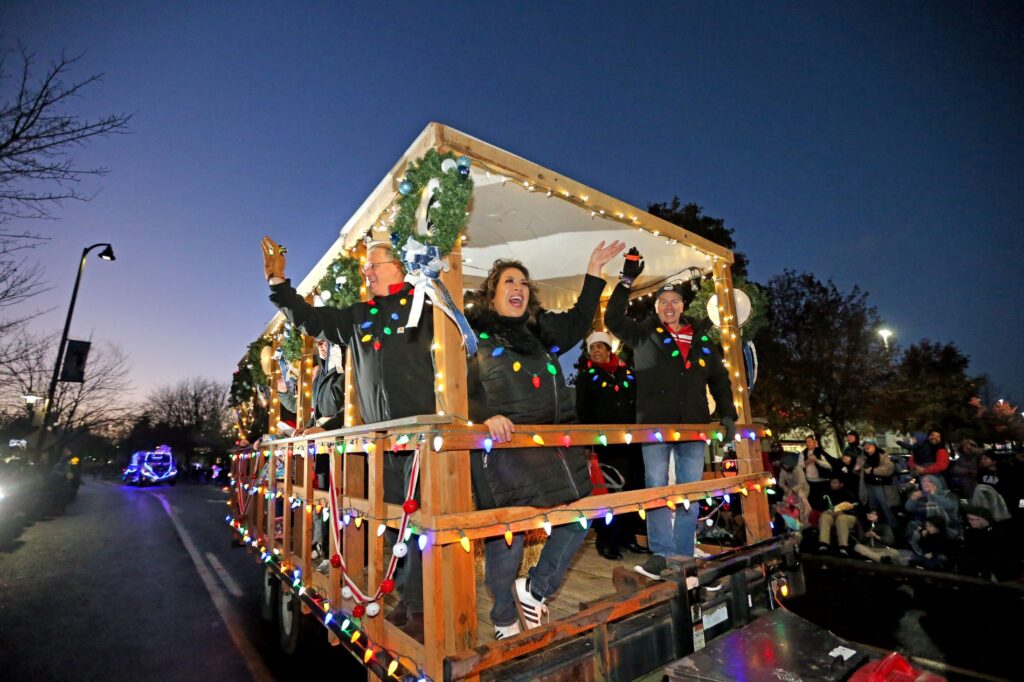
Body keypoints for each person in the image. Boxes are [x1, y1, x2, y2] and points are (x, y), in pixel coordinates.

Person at [262, 236, 433, 637]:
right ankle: (409, 601)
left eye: (374, 264)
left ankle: (421, 607)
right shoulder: (360, 316)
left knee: (423, 528)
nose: (367, 272)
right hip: (381, 445)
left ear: (400, 266)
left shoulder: (426, 306)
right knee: (396, 529)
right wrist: (278, 285)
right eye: (364, 267)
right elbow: (310, 319)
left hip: (422, 443)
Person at [467, 240, 624, 639]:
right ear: (493, 293)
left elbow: (578, 319)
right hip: (504, 451)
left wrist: (593, 272)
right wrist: (487, 416)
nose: (518, 287)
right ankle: (504, 618)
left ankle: (535, 590)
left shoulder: (542, 335)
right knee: (509, 537)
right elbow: (455, 393)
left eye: (522, 282)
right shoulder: (474, 337)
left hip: (555, 449)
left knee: (583, 513)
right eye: (508, 281)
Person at [604, 247, 737, 580]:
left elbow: (720, 379)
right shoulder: (644, 333)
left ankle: (681, 554)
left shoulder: (702, 338)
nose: (668, 306)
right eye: (662, 302)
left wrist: (727, 414)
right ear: (656, 307)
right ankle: (660, 554)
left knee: (690, 491)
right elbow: (613, 320)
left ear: (682, 306)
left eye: (674, 301)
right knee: (657, 487)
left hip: (694, 426)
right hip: (655, 426)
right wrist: (627, 280)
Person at [575, 330, 647, 560]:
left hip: (631, 442)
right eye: (592, 348)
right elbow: (582, 411)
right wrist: (586, 443)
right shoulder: (586, 378)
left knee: (632, 489)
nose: (596, 351)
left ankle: (628, 538)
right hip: (604, 444)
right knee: (609, 492)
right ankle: (606, 541)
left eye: (600, 347)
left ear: (609, 350)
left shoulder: (628, 374)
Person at [859, 438, 899, 529]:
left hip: (881, 487)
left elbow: (889, 469)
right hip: (868, 486)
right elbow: (857, 471)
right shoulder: (863, 458)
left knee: (886, 508)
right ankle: (878, 530)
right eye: (865, 445)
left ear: (875, 446)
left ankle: (894, 529)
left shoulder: (883, 456)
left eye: (869, 444)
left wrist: (873, 471)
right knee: (873, 509)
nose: (866, 447)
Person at [817, 477, 858, 556]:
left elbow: (855, 507)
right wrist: (827, 510)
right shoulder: (827, 494)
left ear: (841, 484)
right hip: (832, 516)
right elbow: (820, 505)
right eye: (831, 482)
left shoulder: (849, 494)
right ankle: (824, 544)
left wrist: (842, 512)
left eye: (835, 483)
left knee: (841, 518)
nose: (832, 484)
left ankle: (843, 547)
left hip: (847, 516)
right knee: (825, 516)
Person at [798, 435, 836, 510]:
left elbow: (829, 465)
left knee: (824, 501)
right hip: (810, 482)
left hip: (822, 481)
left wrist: (817, 461)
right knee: (813, 502)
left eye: (809, 441)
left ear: (814, 442)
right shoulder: (803, 453)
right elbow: (799, 466)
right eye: (806, 442)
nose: (808, 443)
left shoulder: (820, 452)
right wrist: (807, 462)